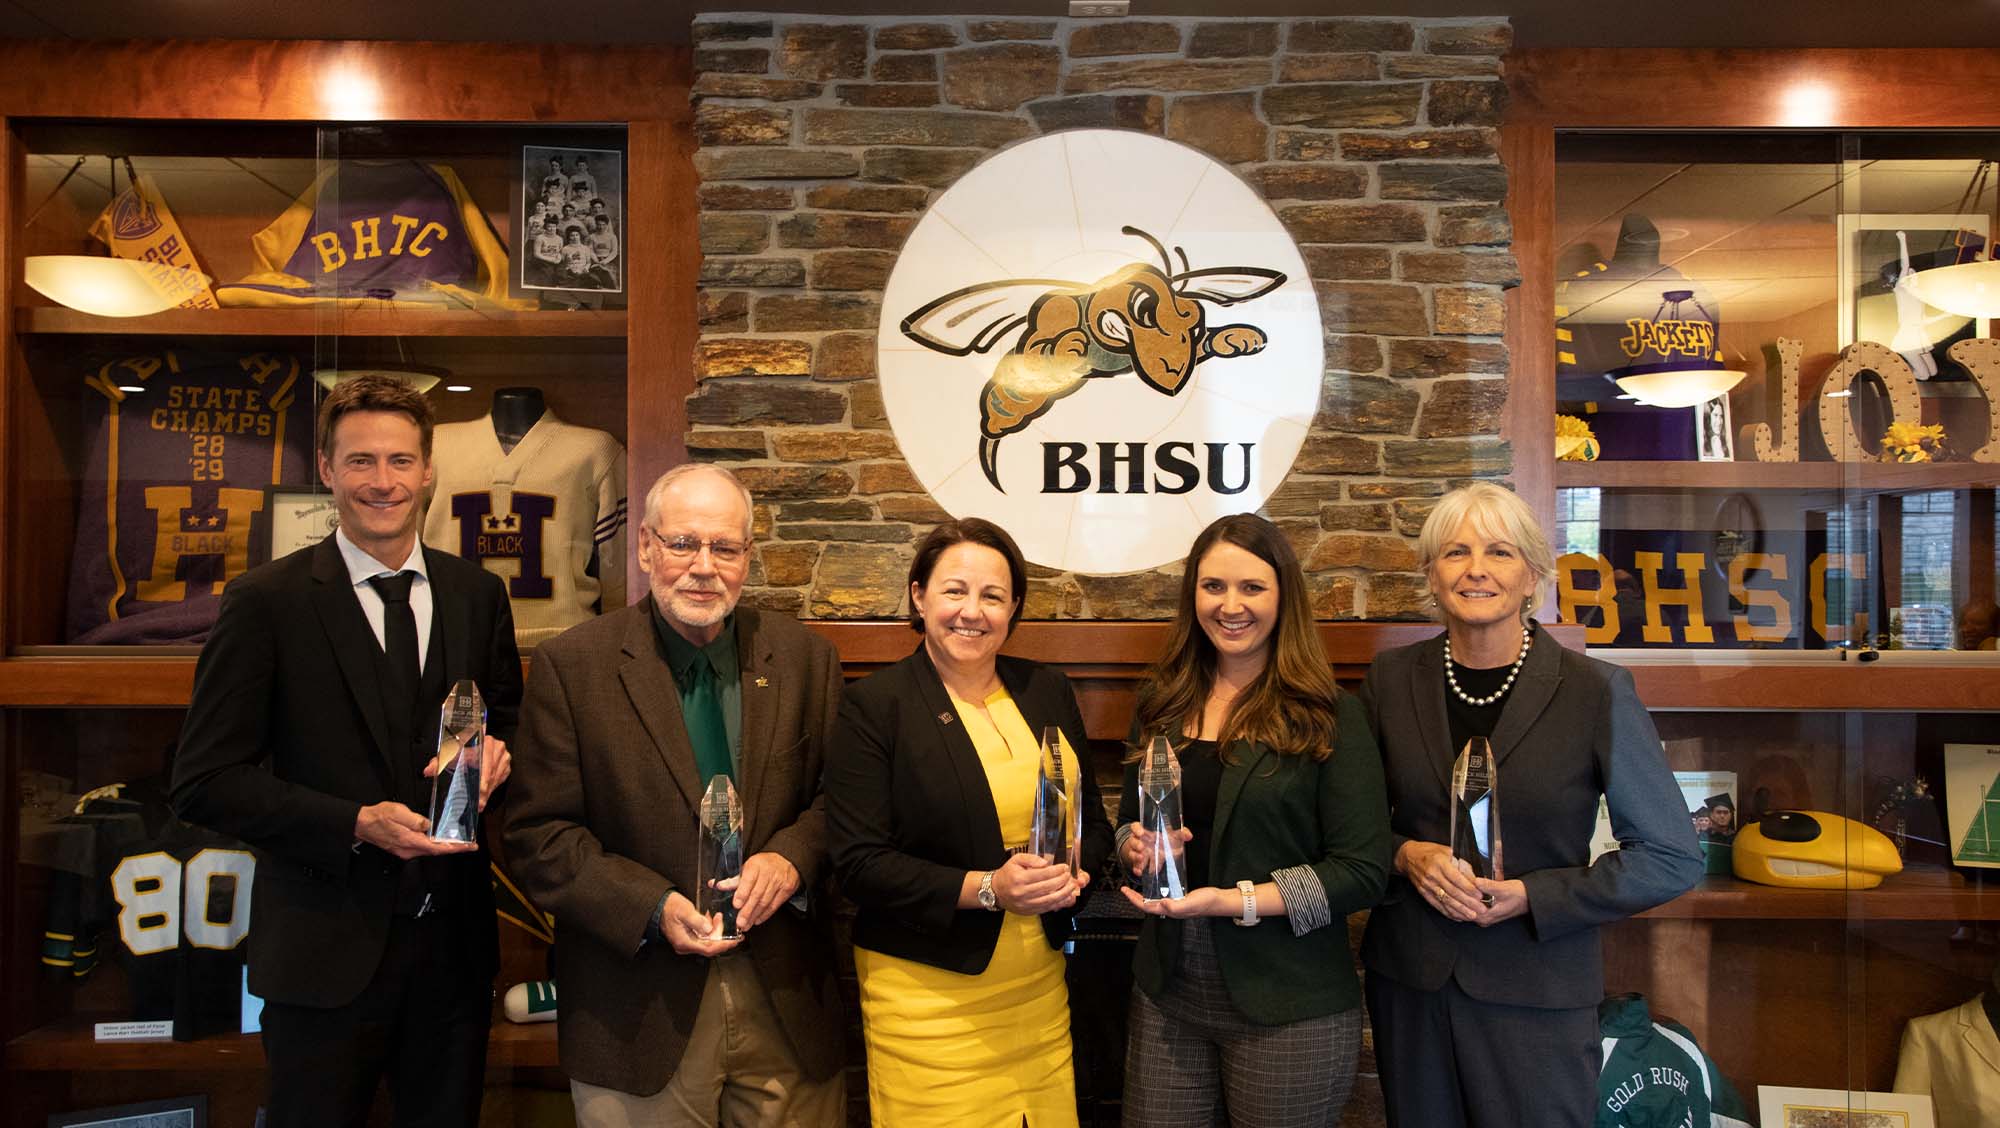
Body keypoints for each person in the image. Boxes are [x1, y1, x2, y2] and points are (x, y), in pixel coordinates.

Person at [171, 373, 521, 1128]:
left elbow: (504, 719)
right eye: (360, 461)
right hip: (320, 962)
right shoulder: (266, 602)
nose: (383, 482)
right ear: (327, 470)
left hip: (454, 960)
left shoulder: (477, 595)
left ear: (429, 470)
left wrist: (498, 754)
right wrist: (353, 822)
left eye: (400, 461)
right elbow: (203, 781)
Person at [502, 463, 846, 1127]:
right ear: (645, 548)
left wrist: (793, 859)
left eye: (725, 547)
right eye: (682, 543)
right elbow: (540, 836)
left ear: (749, 555)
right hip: (637, 1006)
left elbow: (843, 802)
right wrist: (653, 907)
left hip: (786, 998)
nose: (703, 566)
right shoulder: (572, 667)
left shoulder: (806, 660)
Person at [1361, 482, 1703, 1128]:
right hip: (1411, 988)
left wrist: (1533, 897)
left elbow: (1671, 856)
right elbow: (1349, 832)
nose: (1476, 570)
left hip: (1537, 995)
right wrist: (1406, 856)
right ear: (1431, 576)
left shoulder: (1594, 692)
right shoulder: (1389, 682)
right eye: (1456, 552)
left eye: (1499, 552)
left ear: (1533, 577)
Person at [826, 518, 1113, 1127]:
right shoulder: (875, 706)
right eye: (954, 590)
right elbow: (859, 864)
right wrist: (990, 888)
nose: (972, 612)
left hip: (1039, 987)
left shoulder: (1046, 690)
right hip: (928, 1004)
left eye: (993, 596)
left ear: (1013, 609)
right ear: (918, 596)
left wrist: (1097, 861)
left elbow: (1092, 826)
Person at [1115, 513, 1391, 1127]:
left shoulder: (1330, 715)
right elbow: (1126, 825)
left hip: (1290, 1004)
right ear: (1193, 595)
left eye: (1252, 587)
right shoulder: (1161, 703)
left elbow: (1363, 872)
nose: (1230, 605)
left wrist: (1233, 901)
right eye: (1214, 587)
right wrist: (1135, 850)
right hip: (1167, 991)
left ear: (1282, 596)